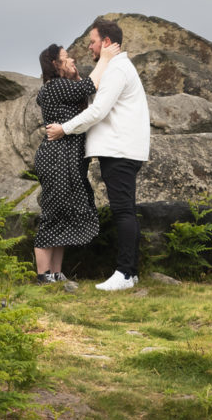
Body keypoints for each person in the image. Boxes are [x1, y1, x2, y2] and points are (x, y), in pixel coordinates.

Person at [46, 17, 150, 291]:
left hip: (119, 151)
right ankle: (131, 273)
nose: (89, 47)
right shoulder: (115, 67)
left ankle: (124, 274)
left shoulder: (117, 69)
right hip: (121, 150)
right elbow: (96, 99)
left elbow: (98, 111)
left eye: (92, 42)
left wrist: (64, 129)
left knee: (123, 212)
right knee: (126, 211)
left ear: (106, 42)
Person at [33, 41, 119, 285]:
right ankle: (43, 276)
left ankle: (56, 274)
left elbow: (87, 94)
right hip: (56, 159)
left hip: (68, 159)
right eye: (66, 57)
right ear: (55, 64)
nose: (72, 59)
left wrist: (79, 76)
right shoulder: (55, 86)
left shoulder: (64, 86)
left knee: (64, 215)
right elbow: (90, 86)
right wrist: (105, 58)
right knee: (53, 213)